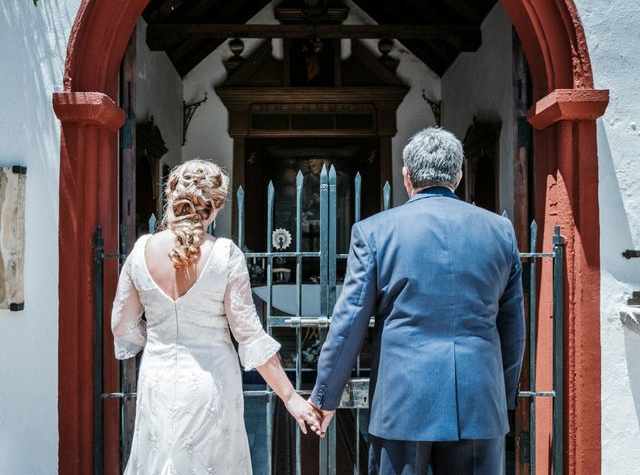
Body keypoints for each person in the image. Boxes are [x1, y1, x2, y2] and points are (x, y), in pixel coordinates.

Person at [310, 128, 526, 474]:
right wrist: (501, 394)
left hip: (402, 399)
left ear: (406, 176)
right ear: (457, 176)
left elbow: (349, 323)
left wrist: (325, 397)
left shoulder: (375, 232)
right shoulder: (499, 231)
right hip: (479, 397)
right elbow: (513, 326)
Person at [111, 160, 321, 474]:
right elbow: (248, 334)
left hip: (158, 381)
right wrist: (290, 396)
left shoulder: (141, 251)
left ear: (171, 197)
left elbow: (121, 324)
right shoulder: (224, 254)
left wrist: (157, 337)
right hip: (211, 385)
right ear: (216, 205)